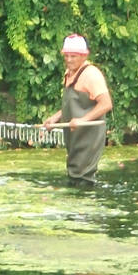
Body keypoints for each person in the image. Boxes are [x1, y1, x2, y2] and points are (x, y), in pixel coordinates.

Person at [43, 33, 112, 184]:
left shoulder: (91, 75)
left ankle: (85, 204)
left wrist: (82, 120)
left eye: (73, 56)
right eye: (66, 56)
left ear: (84, 55)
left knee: (82, 176)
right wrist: (56, 118)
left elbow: (106, 104)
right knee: (74, 172)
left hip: (89, 135)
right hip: (75, 135)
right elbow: (74, 104)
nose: (69, 60)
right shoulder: (69, 73)